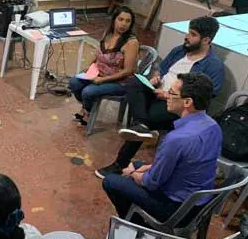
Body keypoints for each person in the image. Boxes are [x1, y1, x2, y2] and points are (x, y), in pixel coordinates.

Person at [95, 15, 224, 179]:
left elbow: (204, 98)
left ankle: (119, 164)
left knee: (149, 118)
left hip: (174, 105)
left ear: (206, 40)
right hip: (156, 91)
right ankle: (141, 124)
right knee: (134, 82)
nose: (186, 37)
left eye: (192, 34)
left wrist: (169, 95)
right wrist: (156, 77)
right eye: (188, 32)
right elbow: (160, 69)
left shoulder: (213, 66)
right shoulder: (179, 50)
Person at [101, 73, 222, 223]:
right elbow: (186, 163)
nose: (167, 95)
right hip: (198, 200)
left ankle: (137, 224)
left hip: (176, 208)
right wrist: (145, 168)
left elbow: (151, 183)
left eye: (171, 92)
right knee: (137, 165)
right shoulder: (213, 126)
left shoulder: (176, 139)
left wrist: (134, 174)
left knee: (111, 181)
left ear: (187, 102)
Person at [69, 6, 139, 125]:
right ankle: (87, 107)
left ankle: (88, 111)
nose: (124, 24)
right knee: (74, 82)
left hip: (120, 82)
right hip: (99, 74)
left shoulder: (131, 43)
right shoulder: (107, 33)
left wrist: (103, 80)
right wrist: (89, 66)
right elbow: (98, 53)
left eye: (128, 21)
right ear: (114, 20)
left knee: (87, 92)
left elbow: (128, 71)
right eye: (120, 19)